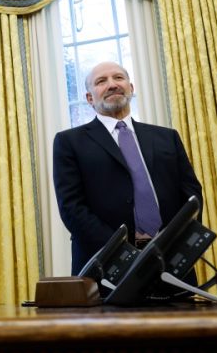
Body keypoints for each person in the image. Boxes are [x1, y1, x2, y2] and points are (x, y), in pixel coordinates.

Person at [52, 62, 203, 274]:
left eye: (118, 78)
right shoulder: (69, 142)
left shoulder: (167, 137)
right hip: (106, 265)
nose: (112, 84)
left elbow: (191, 194)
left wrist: (178, 243)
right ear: (89, 98)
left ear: (131, 88)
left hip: (171, 261)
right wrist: (123, 252)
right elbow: (72, 208)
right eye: (101, 81)